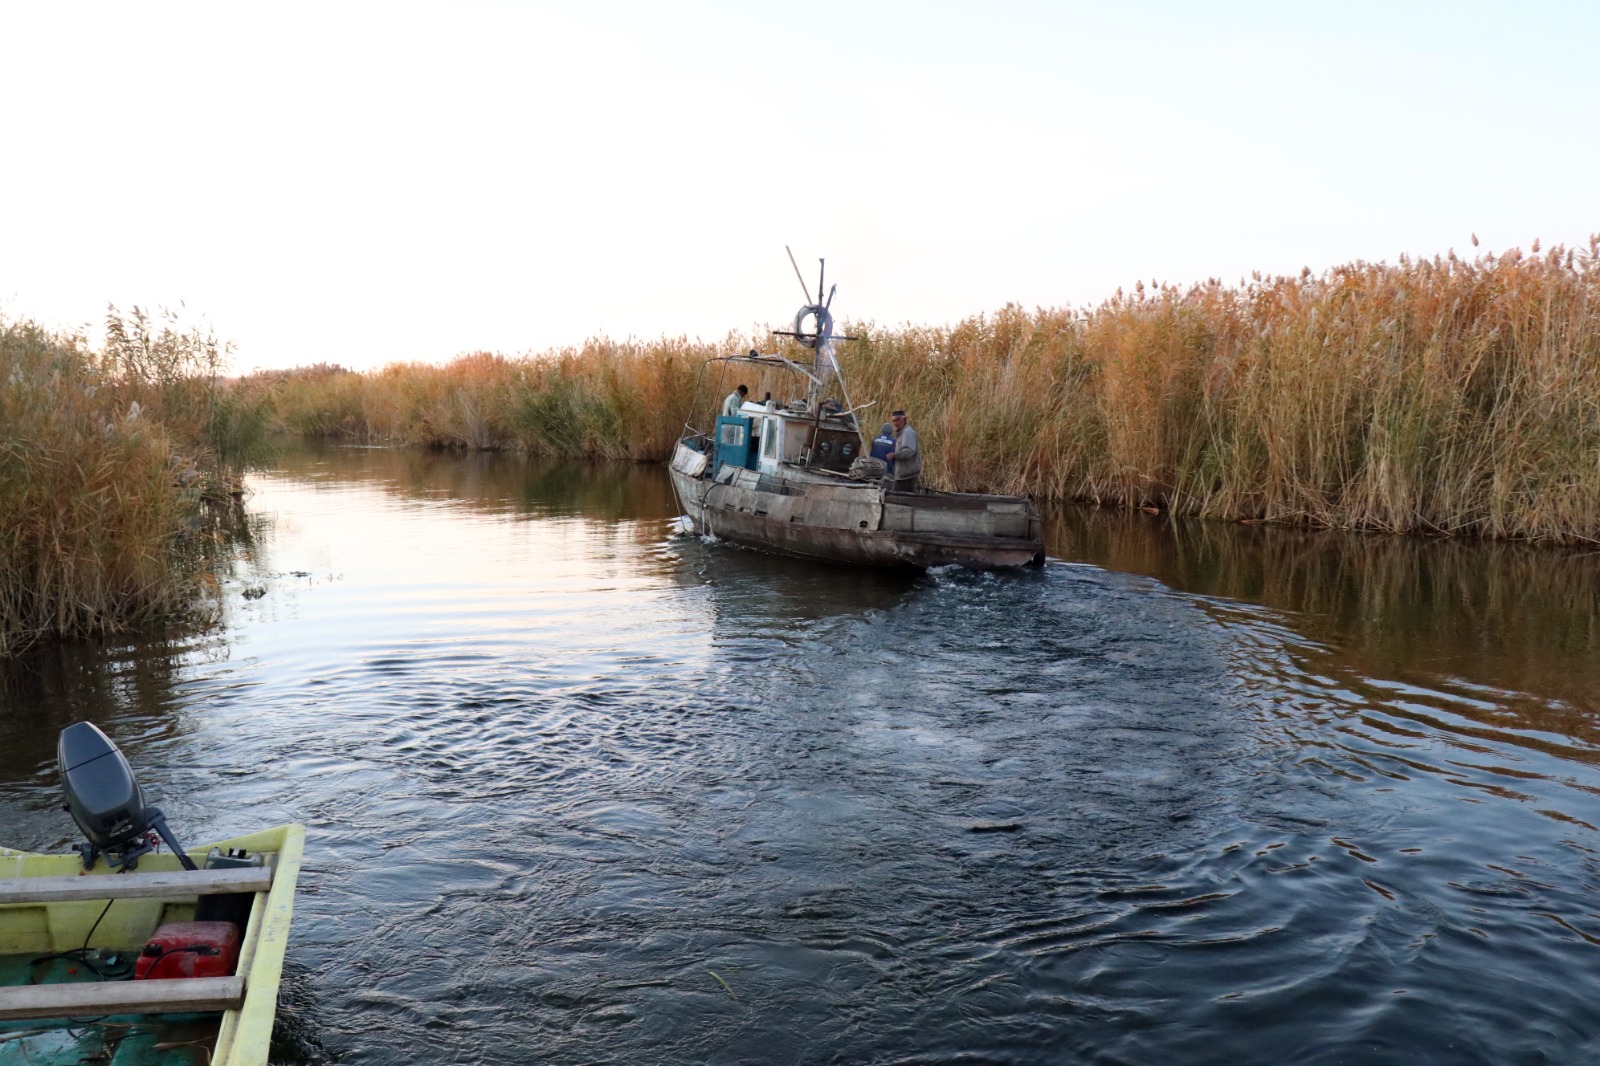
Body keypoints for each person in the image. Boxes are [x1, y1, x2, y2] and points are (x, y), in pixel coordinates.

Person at [886, 409, 921, 492]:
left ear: (904, 420)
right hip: (905, 474)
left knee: (895, 497)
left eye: (898, 420)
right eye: (893, 421)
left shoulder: (907, 432)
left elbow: (909, 451)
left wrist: (895, 455)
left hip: (906, 475)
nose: (895, 423)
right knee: (909, 499)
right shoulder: (902, 432)